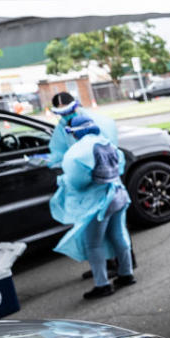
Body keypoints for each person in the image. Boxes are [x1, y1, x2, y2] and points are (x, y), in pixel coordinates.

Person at [50, 113, 136, 299]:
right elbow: (119, 166)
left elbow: (77, 182)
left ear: (74, 132)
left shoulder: (78, 151)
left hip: (99, 202)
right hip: (119, 194)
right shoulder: (107, 142)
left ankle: (102, 284)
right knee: (119, 235)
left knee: (93, 244)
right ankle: (126, 274)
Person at [47, 92, 117, 168]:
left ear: (76, 107)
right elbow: (58, 150)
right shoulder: (62, 127)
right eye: (62, 113)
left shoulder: (94, 121)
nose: (66, 115)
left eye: (69, 111)